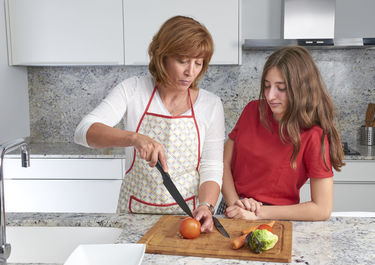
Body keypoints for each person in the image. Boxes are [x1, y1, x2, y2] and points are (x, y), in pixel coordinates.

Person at [74, 16, 225, 232]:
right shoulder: (133, 90)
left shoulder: (210, 105)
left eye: (198, 63)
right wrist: (134, 138)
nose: (190, 72)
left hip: (188, 219)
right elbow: (83, 131)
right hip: (134, 216)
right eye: (183, 60)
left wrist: (206, 205)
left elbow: (211, 166)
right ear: (162, 56)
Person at [218, 46, 344, 221]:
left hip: (276, 218)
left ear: (301, 89)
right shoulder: (252, 110)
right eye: (267, 86)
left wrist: (258, 214)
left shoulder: (314, 136)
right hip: (233, 208)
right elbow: (223, 161)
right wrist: (235, 204)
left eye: (281, 88)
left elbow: (322, 209)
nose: (270, 96)